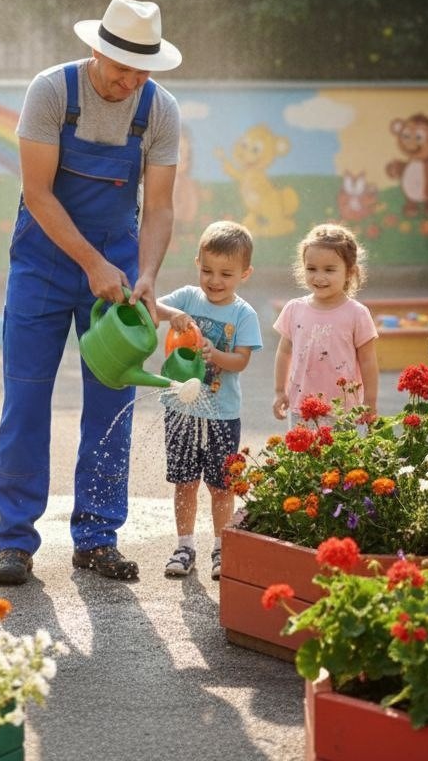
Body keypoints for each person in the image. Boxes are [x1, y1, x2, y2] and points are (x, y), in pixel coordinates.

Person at [0, 0, 183, 585]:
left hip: (118, 270)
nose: (130, 80)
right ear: (95, 50)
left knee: (111, 403)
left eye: (142, 69)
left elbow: (160, 207)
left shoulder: (160, 110)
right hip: (43, 263)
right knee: (25, 399)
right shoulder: (51, 92)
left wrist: (146, 273)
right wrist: (92, 262)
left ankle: (97, 536)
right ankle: (16, 542)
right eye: (121, 66)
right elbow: (39, 194)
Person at [156, 221, 262, 580]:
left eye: (226, 274)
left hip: (221, 413)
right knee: (185, 482)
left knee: (220, 486)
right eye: (207, 270)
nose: (214, 280)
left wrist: (215, 354)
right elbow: (150, 307)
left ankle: (221, 547)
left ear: (245, 273)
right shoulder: (187, 297)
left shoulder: (243, 314)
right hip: (179, 409)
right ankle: (184, 546)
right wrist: (173, 315)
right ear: (197, 263)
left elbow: (241, 361)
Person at [273, 223, 379, 423]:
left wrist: (370, 403)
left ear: (349, 272)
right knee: (303, 454)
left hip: (344, 411)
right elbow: (284, 352)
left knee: (341, 455)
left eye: (329, 270)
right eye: (311, 268)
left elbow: (368, 361)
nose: (319, 277)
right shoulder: (294, 309)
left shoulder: (357, 313)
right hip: (301, 407)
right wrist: (280, 391)